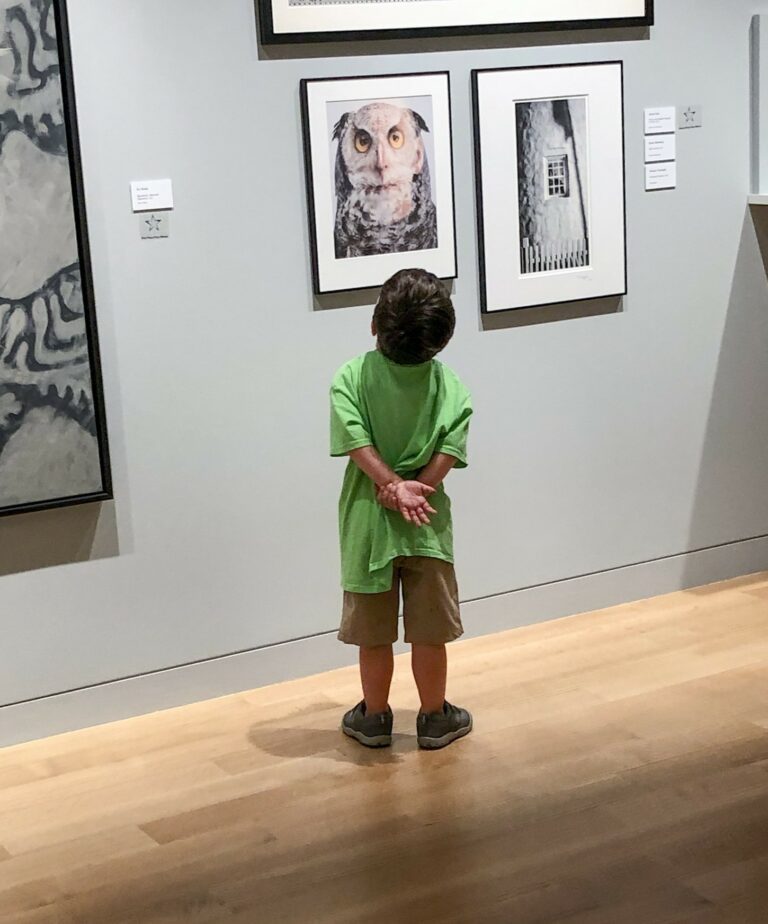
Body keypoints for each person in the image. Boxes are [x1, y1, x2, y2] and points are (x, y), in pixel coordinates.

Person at [330, 268, 473, 750]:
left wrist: (390, 486)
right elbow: (451, 445)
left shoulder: (351, 376)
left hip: (367, 524)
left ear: (375, 324)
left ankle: (374, 717)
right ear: (442, 340)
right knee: (428, 630)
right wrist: (418, 490)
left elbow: (355, 440)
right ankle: (434, 717)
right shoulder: (448, 383)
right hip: (426, 525)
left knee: (375, 634)